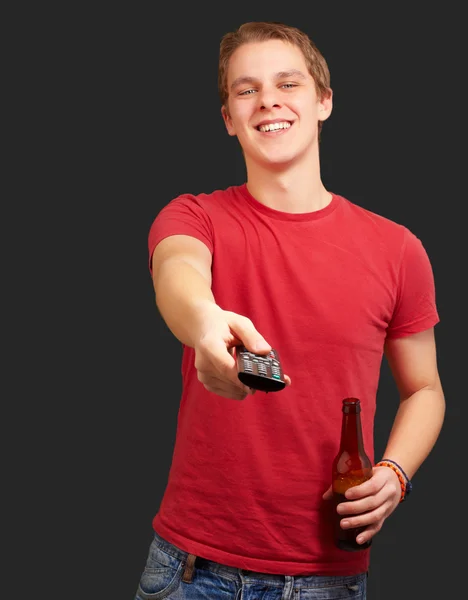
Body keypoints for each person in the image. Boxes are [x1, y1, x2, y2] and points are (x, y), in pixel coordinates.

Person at [134, 20, 445, 599]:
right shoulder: (194, 216)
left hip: (330, 578)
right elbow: (178, 273)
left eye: (288, 84)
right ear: (228, 118)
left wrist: (395, 476)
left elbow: (426, 389)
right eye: (245, 89)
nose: (268, 101)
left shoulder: (398, 248)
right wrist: (204, 323)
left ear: (324, 101)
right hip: (191, 571)